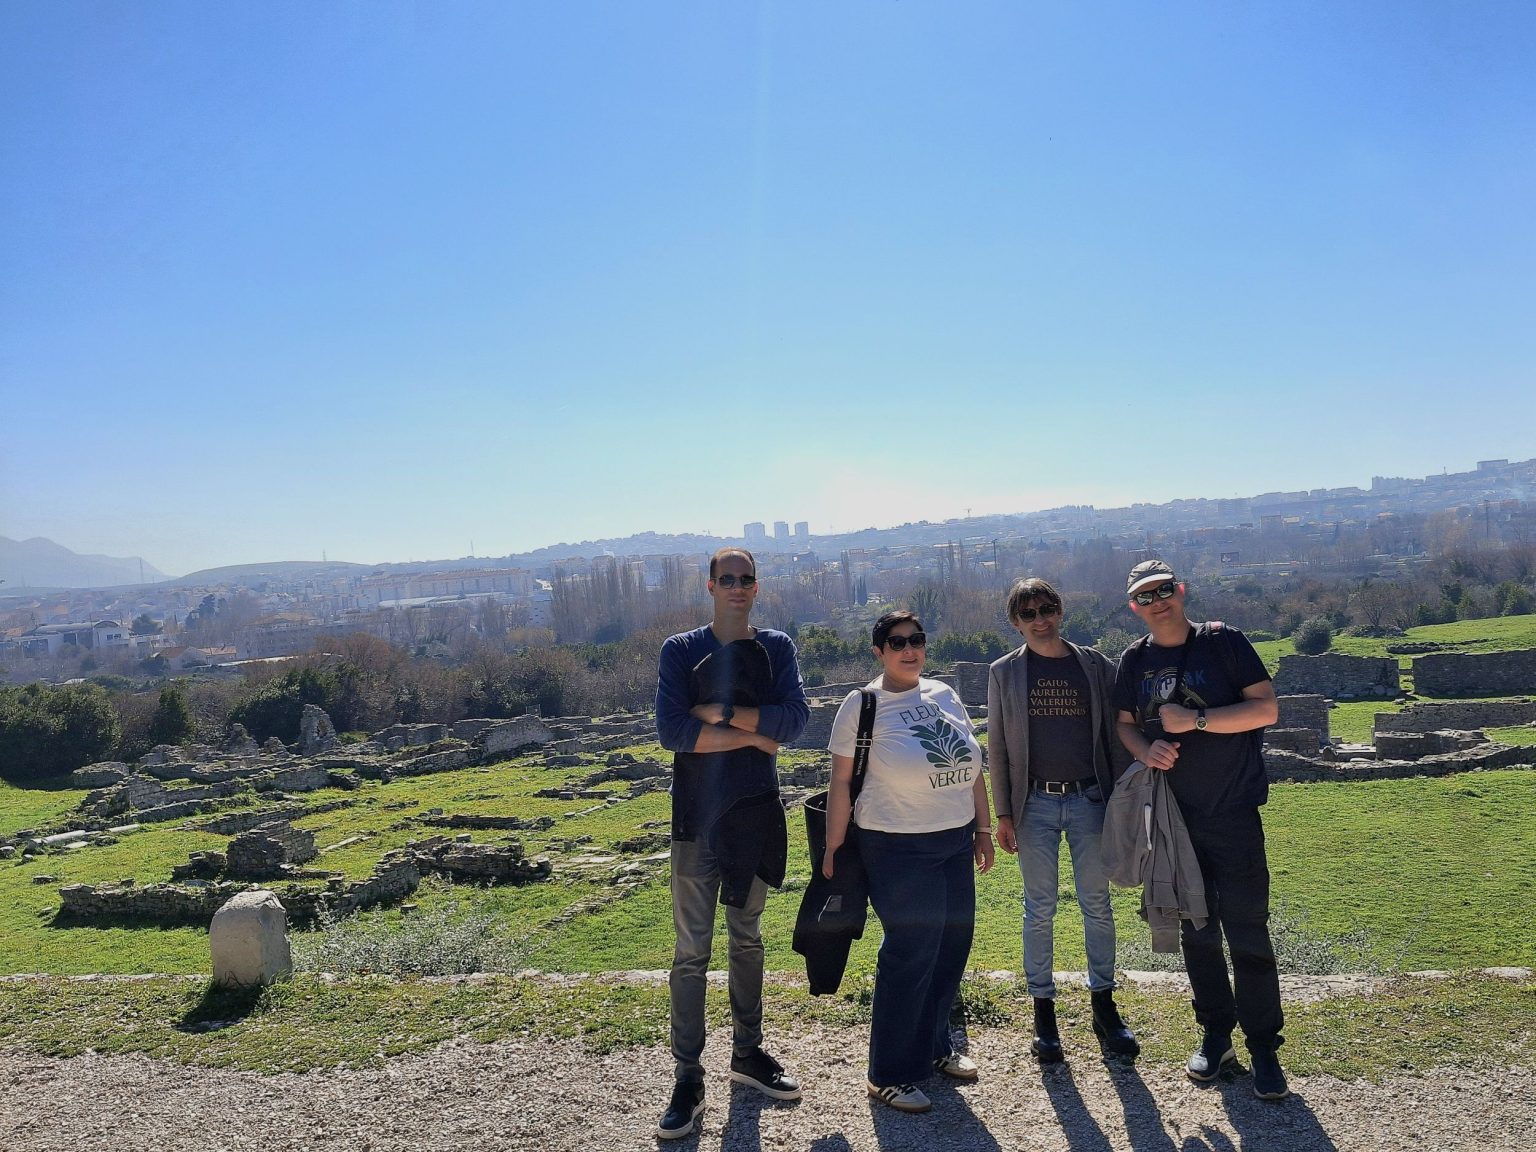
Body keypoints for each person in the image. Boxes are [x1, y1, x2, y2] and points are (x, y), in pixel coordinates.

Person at [1112, 559, 1289, 1100]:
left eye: (1164, 590)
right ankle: (1216, 1035)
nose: (1157, 601)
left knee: (1248, 929)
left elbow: (1266, 709)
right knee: (1197, 929)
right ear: (1134, 607)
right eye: (1146, 596)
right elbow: (1125, 726)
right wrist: (1147, 750)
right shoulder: (1134, 660)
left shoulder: (1223, 641)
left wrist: (1198, 721)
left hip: (1232, 811)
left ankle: (1264, 1047)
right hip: (1173, 817)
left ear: (1181, 590)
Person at [653, 548, 810, 1139]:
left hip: (754, 815)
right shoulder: (680, 650)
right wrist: (754, 732)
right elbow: (673, 731)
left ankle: (748, 1053)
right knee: (691, 952)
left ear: (757, 587)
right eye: (727, 579)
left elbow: (793, 723)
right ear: (710, 586)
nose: (737, 587)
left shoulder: (777, 647)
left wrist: (717, 713)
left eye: (746, 579)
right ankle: (688, 1077)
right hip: (696, 819)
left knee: (747, 940)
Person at [822, 610, 994, 1115]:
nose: (909, 649)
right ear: (879, 652)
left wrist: (982, 829)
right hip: (896, 844)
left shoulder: (944, 694)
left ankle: (935, 1046)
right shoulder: (863, 705)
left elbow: (973, 767)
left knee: (950, 947)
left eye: (916, 640)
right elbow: (840, 782)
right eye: (896, 643)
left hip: (954, 839)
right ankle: (889, 1073)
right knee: (910, 951)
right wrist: (834, 847)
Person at [986, 577, 1138, 1063]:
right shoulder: (1004, 672)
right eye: (1028, 614)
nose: (1040, 620)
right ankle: (1043, 1011)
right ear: (1016, 623)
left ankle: (1104, 1006)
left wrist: (1123, 801)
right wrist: (1003, 813)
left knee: (1097, 905)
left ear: (1060, 610)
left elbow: (1119, 734)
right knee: (1039, 908)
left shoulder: (1095, 665)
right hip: (1034, 804)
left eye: (1046, 609)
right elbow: (998, 746)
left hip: (1090, 799)